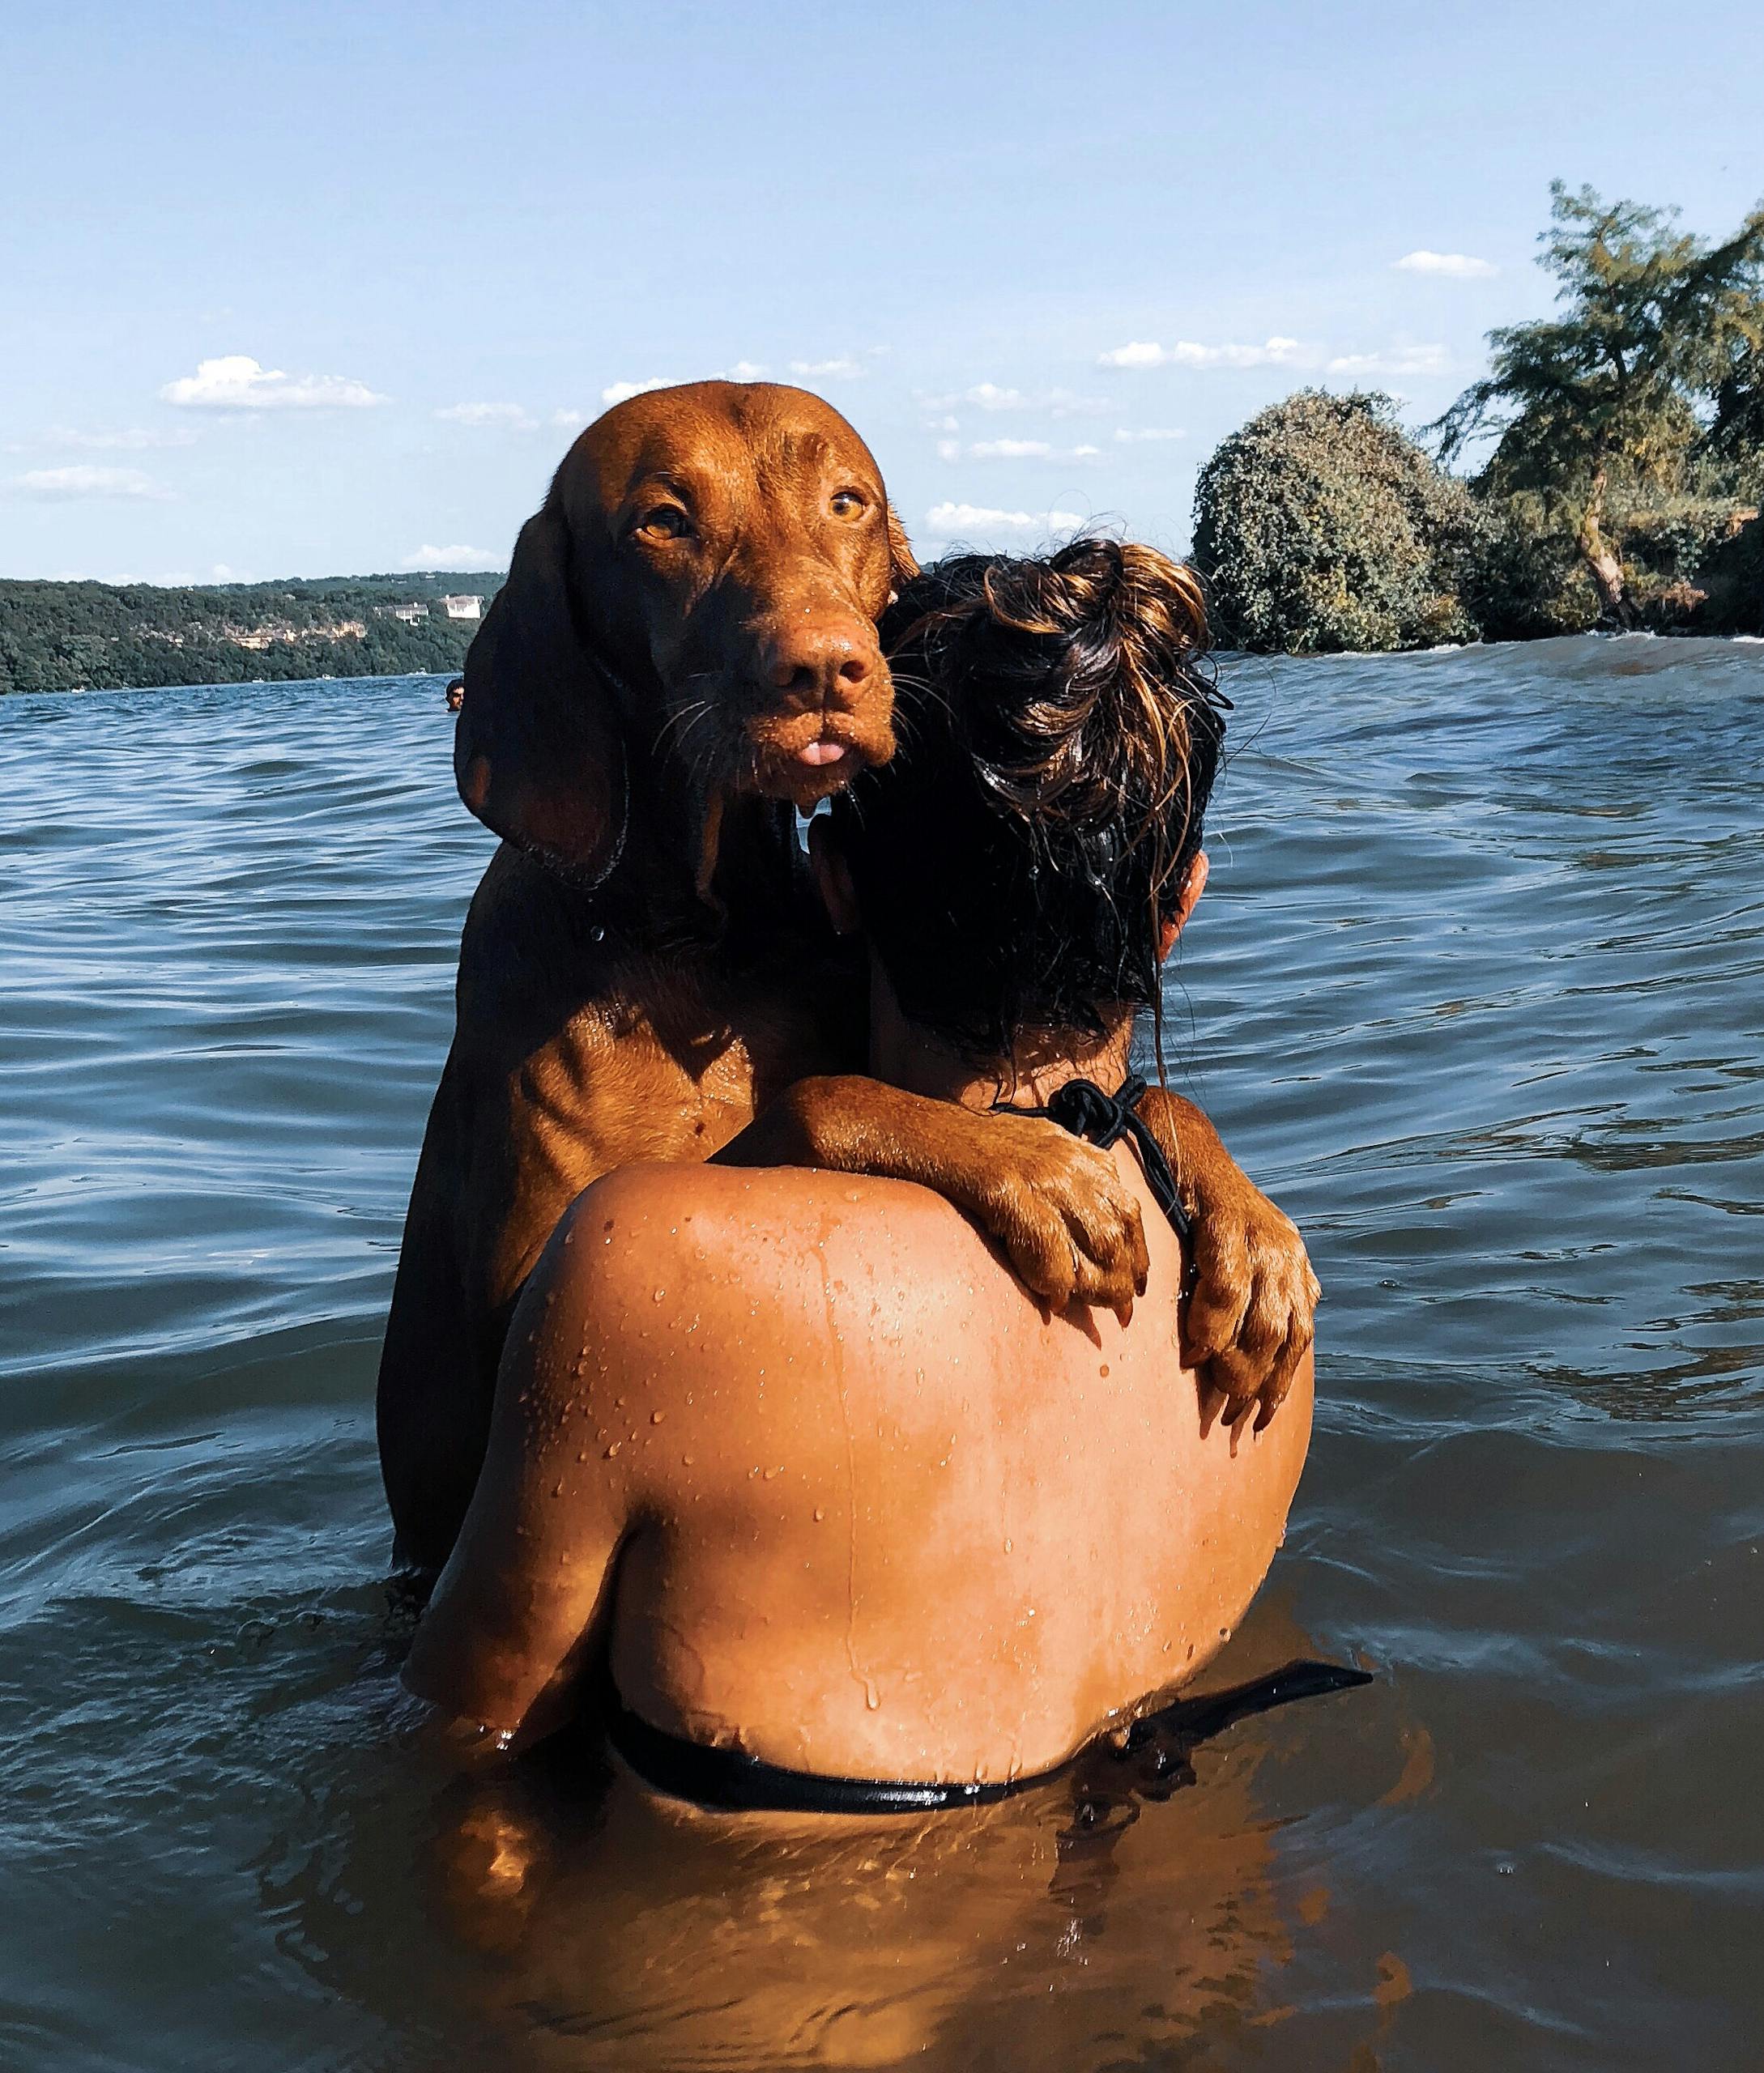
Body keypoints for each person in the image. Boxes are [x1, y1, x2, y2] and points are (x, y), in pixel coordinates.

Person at [403, 537, 1325, 1807]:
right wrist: (1161, 1127)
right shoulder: (1260, 1295)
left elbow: (454, 1753)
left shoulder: (659, 1272)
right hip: (1195, 1951)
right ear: (1183, 907)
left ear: (831, 883)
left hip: (787, 1999)